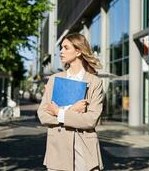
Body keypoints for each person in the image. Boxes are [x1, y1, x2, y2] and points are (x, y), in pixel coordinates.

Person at [37, 33, 104, 171]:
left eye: (66, 48)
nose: (61, 52)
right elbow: (43, 114)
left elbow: (91, 120)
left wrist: (58, 113)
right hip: (57, 149)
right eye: (61, 48)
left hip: (85, 148)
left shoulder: (94, 82)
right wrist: (71, 111)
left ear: (78, 51)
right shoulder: (54, 79)